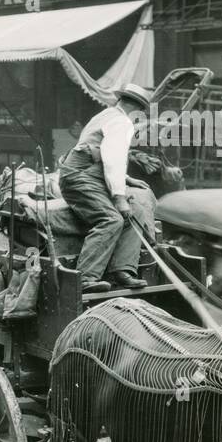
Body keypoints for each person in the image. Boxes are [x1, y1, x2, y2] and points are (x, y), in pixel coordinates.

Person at [59, 83, 153, 294]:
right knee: (111, 219)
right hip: (80, 177)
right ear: (137, 110)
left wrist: (127, 180)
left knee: (135, 210)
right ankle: (85, 278)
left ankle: (122, 269)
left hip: (85, 174)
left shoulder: (105, 115)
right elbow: (113, 159)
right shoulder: (122, 122)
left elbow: (101, 153)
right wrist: (119, 198)